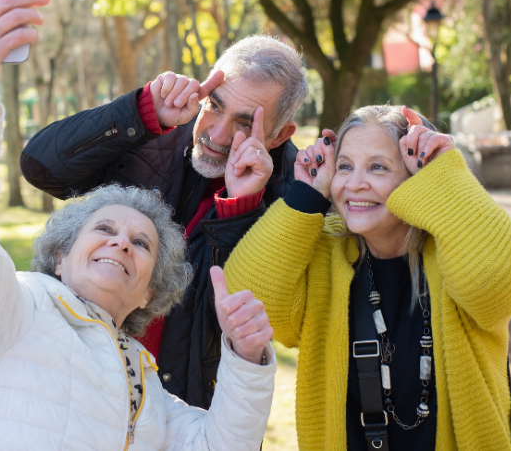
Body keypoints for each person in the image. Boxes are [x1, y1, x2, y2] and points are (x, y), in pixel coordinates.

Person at [0, 0, 277, 450]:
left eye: (141, 243)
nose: (121, 241)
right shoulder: (14, 314)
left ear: (151, 291)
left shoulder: (146, 387)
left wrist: (246, 359)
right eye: (103, 227)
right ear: (60, 256)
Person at [224, 105, 511, 450]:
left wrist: (446, 175)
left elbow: (495, 285)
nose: (355, 184)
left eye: (377, 167)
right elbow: (247, 300)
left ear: (417, 176)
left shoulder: (457, 246)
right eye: (344, 166)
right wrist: (305, 196)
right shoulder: (325, 251)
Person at [20, 33, 308, 408]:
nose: (217, 134)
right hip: (85, 385)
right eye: (215, 106)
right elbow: (41, 168)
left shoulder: (293, 195)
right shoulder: (154, 132)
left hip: (187, 412)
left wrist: (241, 205)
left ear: (279, 135)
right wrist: (139, 111)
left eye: (242, 123)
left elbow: (235, 314)